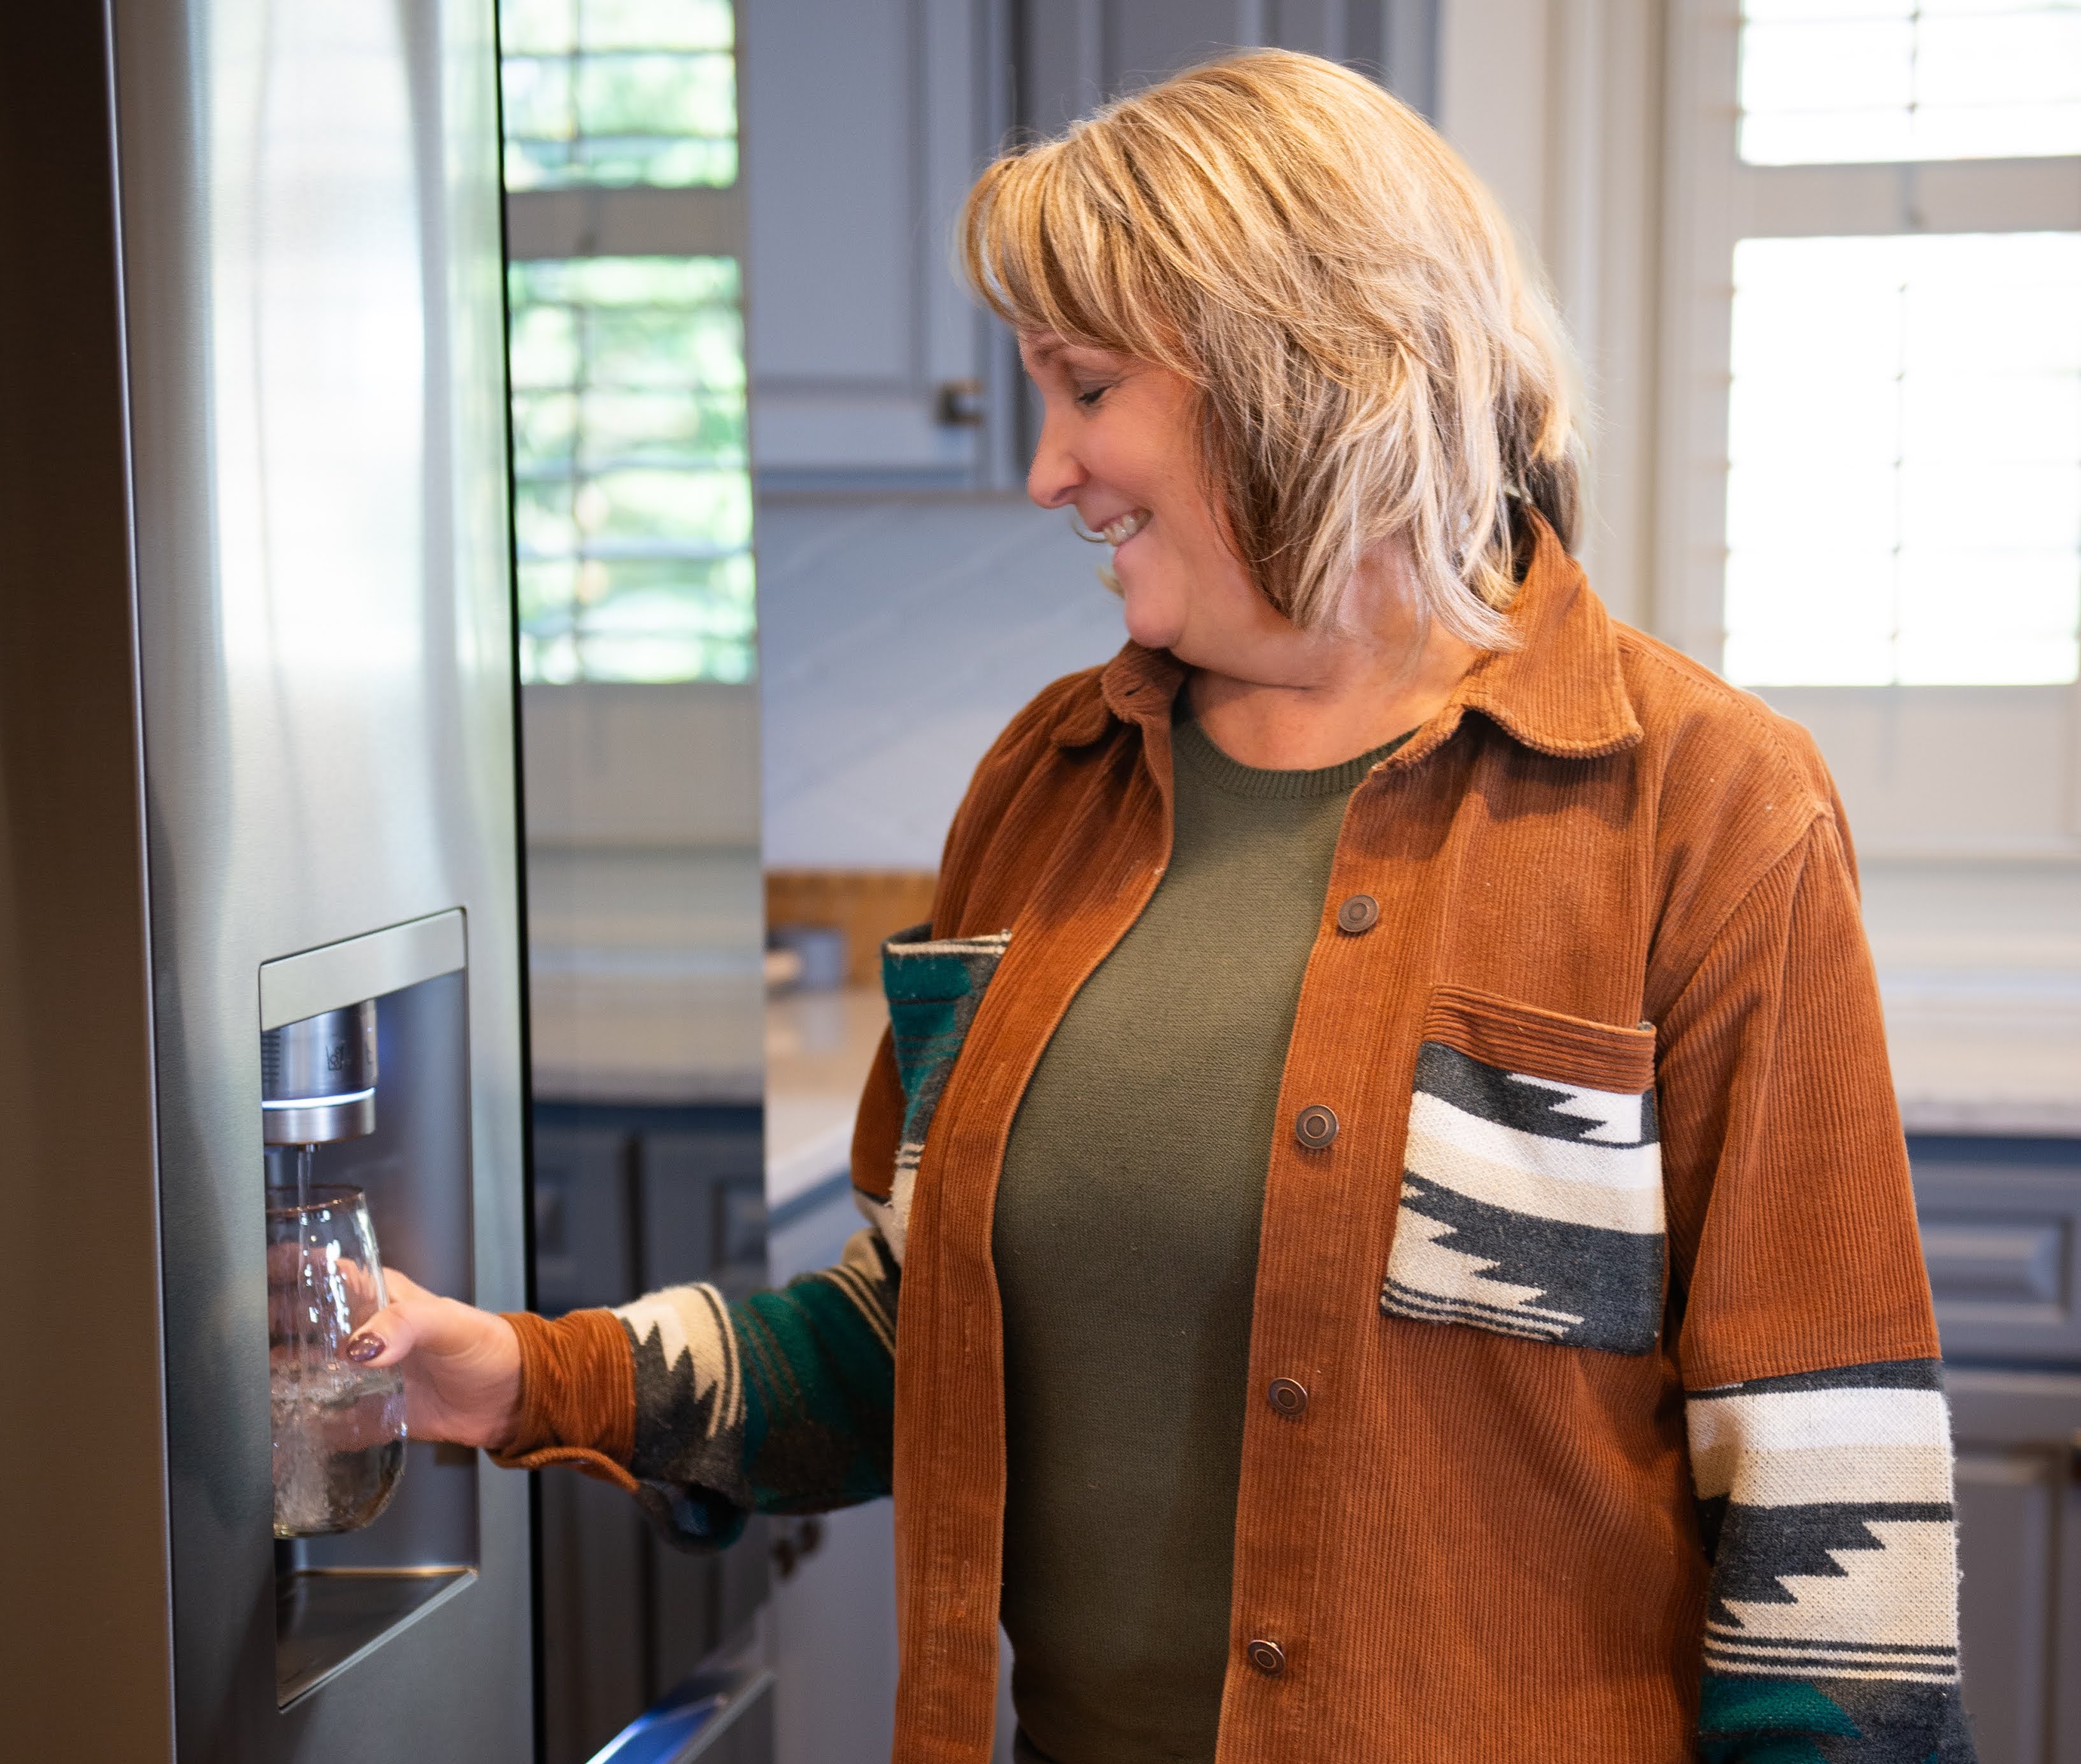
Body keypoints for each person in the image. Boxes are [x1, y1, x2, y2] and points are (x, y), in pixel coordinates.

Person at [354, 50, 1972, 1764]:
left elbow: (1826, 1514)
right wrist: (523, 1375)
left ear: (1302, 372)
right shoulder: (1046, 789)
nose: (1047, 469)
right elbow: (913, 1333)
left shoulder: (1700, 808)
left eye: (1085, 386)